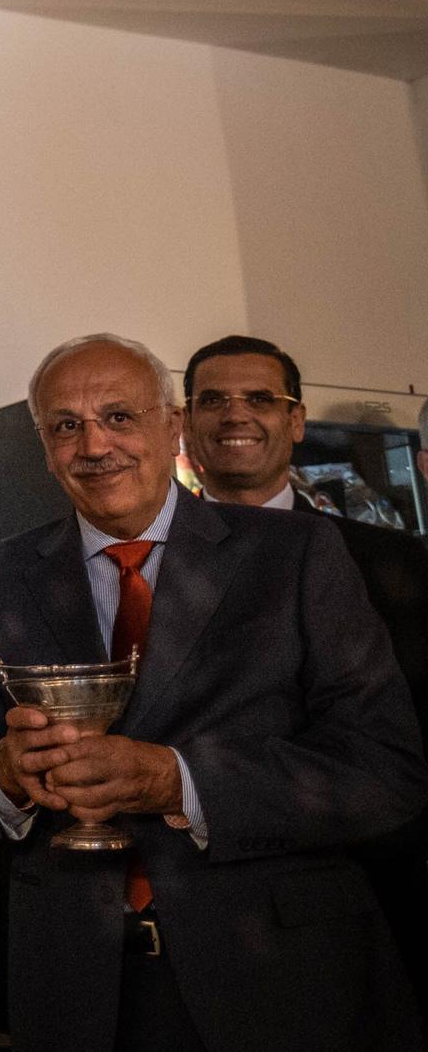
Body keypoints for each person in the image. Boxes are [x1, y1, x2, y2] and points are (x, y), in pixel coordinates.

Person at [0, 332, 427, 1052]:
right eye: (66, 425)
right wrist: (5, 775)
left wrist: (175, 781)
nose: (94, 445)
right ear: (44, 445)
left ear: (171, 428)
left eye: (119, 417)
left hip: (278, 987)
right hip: (78, 994)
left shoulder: (294, 555)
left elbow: (385, 773)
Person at [182, 332, 428, 1017]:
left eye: (260, 398)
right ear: (185, 422)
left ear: (295, 421)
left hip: (378, 893)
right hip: (203, 904)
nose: (236, 415)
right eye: (214, 400)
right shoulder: (138, 569)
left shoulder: (400, 565)